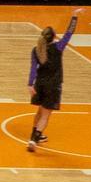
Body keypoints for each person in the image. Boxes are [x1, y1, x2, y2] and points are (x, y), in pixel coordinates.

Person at [27, 10, 82, 151]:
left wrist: (30, 84)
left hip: (39, 84)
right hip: (53, 85)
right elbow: (69, 33)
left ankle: (34, 134)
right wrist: (74, 16)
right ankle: (34, 139)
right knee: (45, 115)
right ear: (54, 37)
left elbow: (33, 68)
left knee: (39, 112)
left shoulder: (36, 49)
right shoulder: (58, 47)